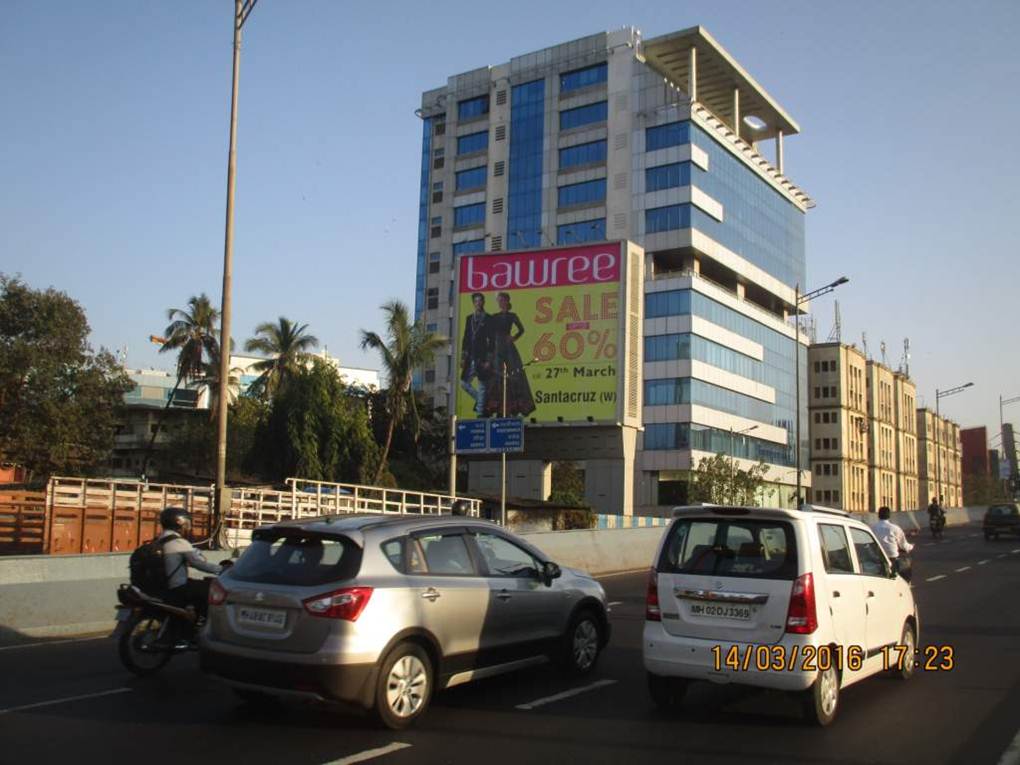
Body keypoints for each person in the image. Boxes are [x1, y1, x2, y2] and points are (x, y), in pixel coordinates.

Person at [156, 507, 223, 621]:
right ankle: (204, 623)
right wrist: (223, 569)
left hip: (162, 586)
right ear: (179, 522)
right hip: (178, 587)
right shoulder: (179, 542)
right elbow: (200, 564)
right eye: (186, 522)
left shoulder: (158, 541)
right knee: (210, 590)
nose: (187, 525)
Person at [482, 292, 536, 417]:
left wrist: (514, 337)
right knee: (495, 375)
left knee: (514, 373)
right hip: (496, 346)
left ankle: (514, 406)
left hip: (508, 346)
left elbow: (521, 329)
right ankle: (496, 406)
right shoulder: (494, 316)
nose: (500, 303)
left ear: (506, 301)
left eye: (501, 300)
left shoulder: (512, 316)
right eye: (498, 301)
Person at [459, 292, 494, 416]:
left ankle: (480, 412)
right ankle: (481, 402)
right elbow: (465, 338)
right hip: (470, 357)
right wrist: (463, 357)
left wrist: (489, 360)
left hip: (482, 356)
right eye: (476, 301)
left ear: (483, 302)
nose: (478, 303)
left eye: (480, 301)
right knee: (463, 383)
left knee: (482, 385)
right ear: (473, 303)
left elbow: (492, 341)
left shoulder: (488, 318)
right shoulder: (469, 318)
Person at [873, 506, 913, 574]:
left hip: (876, 557)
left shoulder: (872, 527)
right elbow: (903, 545)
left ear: (878, 515)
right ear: (889, 515)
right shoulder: (895, 528)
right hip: (892, 557)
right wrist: (911, 547)